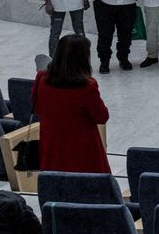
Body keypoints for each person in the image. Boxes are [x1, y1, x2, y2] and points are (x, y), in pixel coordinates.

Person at [31, 34, 109, 173]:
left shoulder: (42, 78)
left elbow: (36, 107)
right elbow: (101, 117)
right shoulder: (87, 86)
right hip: (82, 149)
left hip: (51, 144)